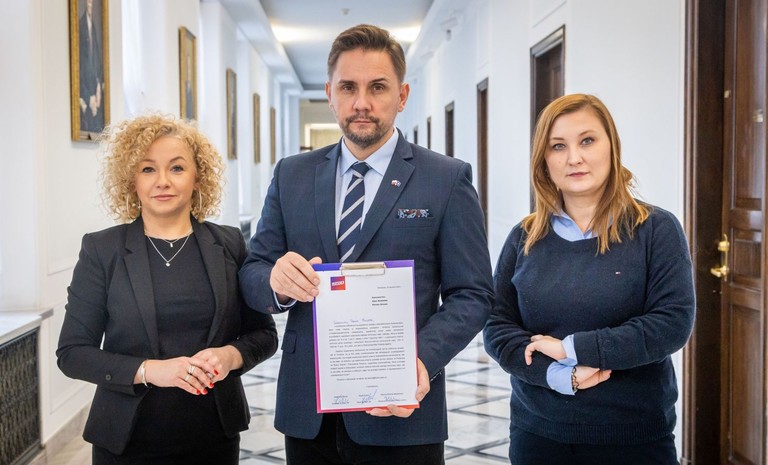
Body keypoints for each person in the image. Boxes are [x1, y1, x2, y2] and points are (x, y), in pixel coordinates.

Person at [238, 24, 494, 465]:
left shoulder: (446, 179)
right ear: (329, 94)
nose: (361, 102)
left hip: (402, 409)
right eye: (348, 87)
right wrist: (276, 282)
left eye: (377, 87)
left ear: (402, 95)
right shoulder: (291, 174)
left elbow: (473, 294)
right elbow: (254, 269)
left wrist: (419, 361)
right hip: (309, 408)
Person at [483, 93, 696, 465]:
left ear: (611, 146)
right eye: (558, 146)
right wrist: (559, 376)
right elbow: (497, 327)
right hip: (538, 435)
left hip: (633, 437)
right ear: (543, 160)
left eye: (587, 141)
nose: (574, 158)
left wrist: (571, 349)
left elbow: (671, 324)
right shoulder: (524, 237)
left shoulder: (655, 230)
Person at [57, 114, 278, 465]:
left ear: (197, 177)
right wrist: (149, 370)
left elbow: (264, 335)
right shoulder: (102, 250)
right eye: (147, 169)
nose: (162, 181)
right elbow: (72, 353)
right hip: (127, 440)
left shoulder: (229, 244)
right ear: (131, 179)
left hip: (214, 436)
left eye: (176, 168)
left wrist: (229, 356)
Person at [78, 0, 104, 133]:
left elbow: (96, 59)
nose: (90, 4)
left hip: (94, 86)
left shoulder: (92, 26)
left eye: (92, 2)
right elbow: (81, 66)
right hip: (86, 89)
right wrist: (89, 95)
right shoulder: (81, 25)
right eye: (88, 1)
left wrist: (98, 84)